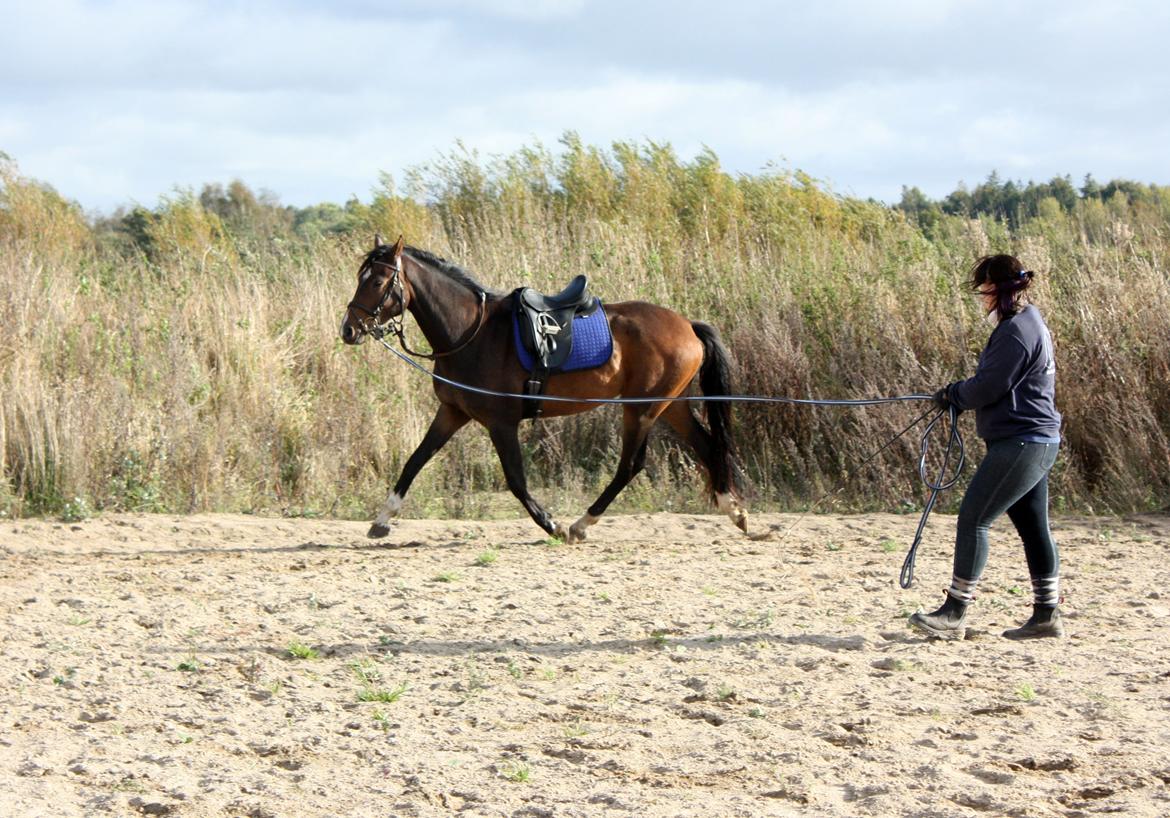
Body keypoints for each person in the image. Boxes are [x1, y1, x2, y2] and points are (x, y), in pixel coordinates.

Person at [909, 254, 1064, 640]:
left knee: (974, 518)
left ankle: (954, 612)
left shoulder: (1014, 332)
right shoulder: (1031, 320)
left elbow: (989, 386)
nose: (982, 300)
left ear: (997, 290)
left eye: (984, 291)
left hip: (1022, 441)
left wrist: (953, 394)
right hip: (1035, 439)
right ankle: (1046, 617)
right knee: (1033, 527)